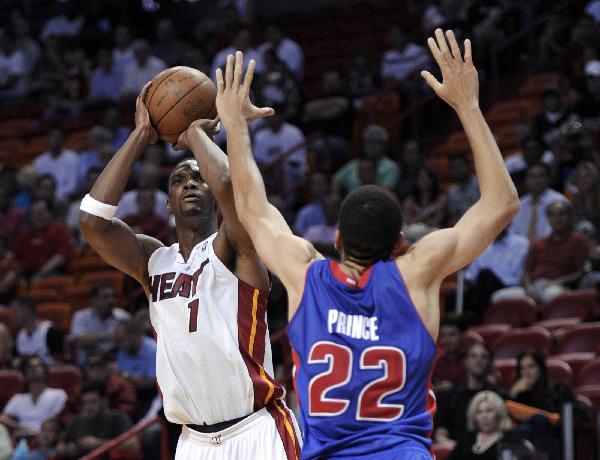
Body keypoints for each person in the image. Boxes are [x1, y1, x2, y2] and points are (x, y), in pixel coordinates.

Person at [217, 28, 519, 458]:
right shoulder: (418, 272)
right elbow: (502, 203)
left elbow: (250, 207)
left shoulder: (306, 273)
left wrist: (235, 126)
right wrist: (467, 105)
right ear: (400, 243)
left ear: (336, 240)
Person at [79, 83, 300, 459]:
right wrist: (140, 136)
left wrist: (195, 133)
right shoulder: (152, 260)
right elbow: (92, 221)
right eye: (179, 181)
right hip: (193, 443)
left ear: (212, 194)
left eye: (198, 179)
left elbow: (231, 184)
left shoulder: (236, 246)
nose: (190, 185)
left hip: (258, 430)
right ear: (167, 202)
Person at [56, 381, 138, 459]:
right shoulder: (77, 421)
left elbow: (133, 445)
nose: (88, 407)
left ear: (104, 400)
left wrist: (99, 443)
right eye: (85, 403)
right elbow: (60, 447)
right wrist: (69, 449)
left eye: (93, 402)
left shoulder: (117, 417)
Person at [447, 391, 533, 460]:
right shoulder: (466, 440)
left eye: (489, 411)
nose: (484, 416)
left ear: (498, 413)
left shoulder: (510, 440)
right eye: (479, 412)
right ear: (474, 416)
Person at [0, 356, 67, 436]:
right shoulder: (18, 398)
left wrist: (40, 432)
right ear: (26, 373)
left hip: (47, 436)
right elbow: (2, 417)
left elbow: (58, 419)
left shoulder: (58, 394)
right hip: (23, 435)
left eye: (37, 365)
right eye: (30, 367)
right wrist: (19, 427)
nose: (34, 368)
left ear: (45, 370)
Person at [70, 283, 130, 365]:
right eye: (105, 297)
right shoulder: (81, 316)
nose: (111, 301)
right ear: (94, 300)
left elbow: (132, 340)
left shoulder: (123, 316)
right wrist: (107, 336)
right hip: (87, 365)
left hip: (116, 364)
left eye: (112, 296)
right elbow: (78, 340)